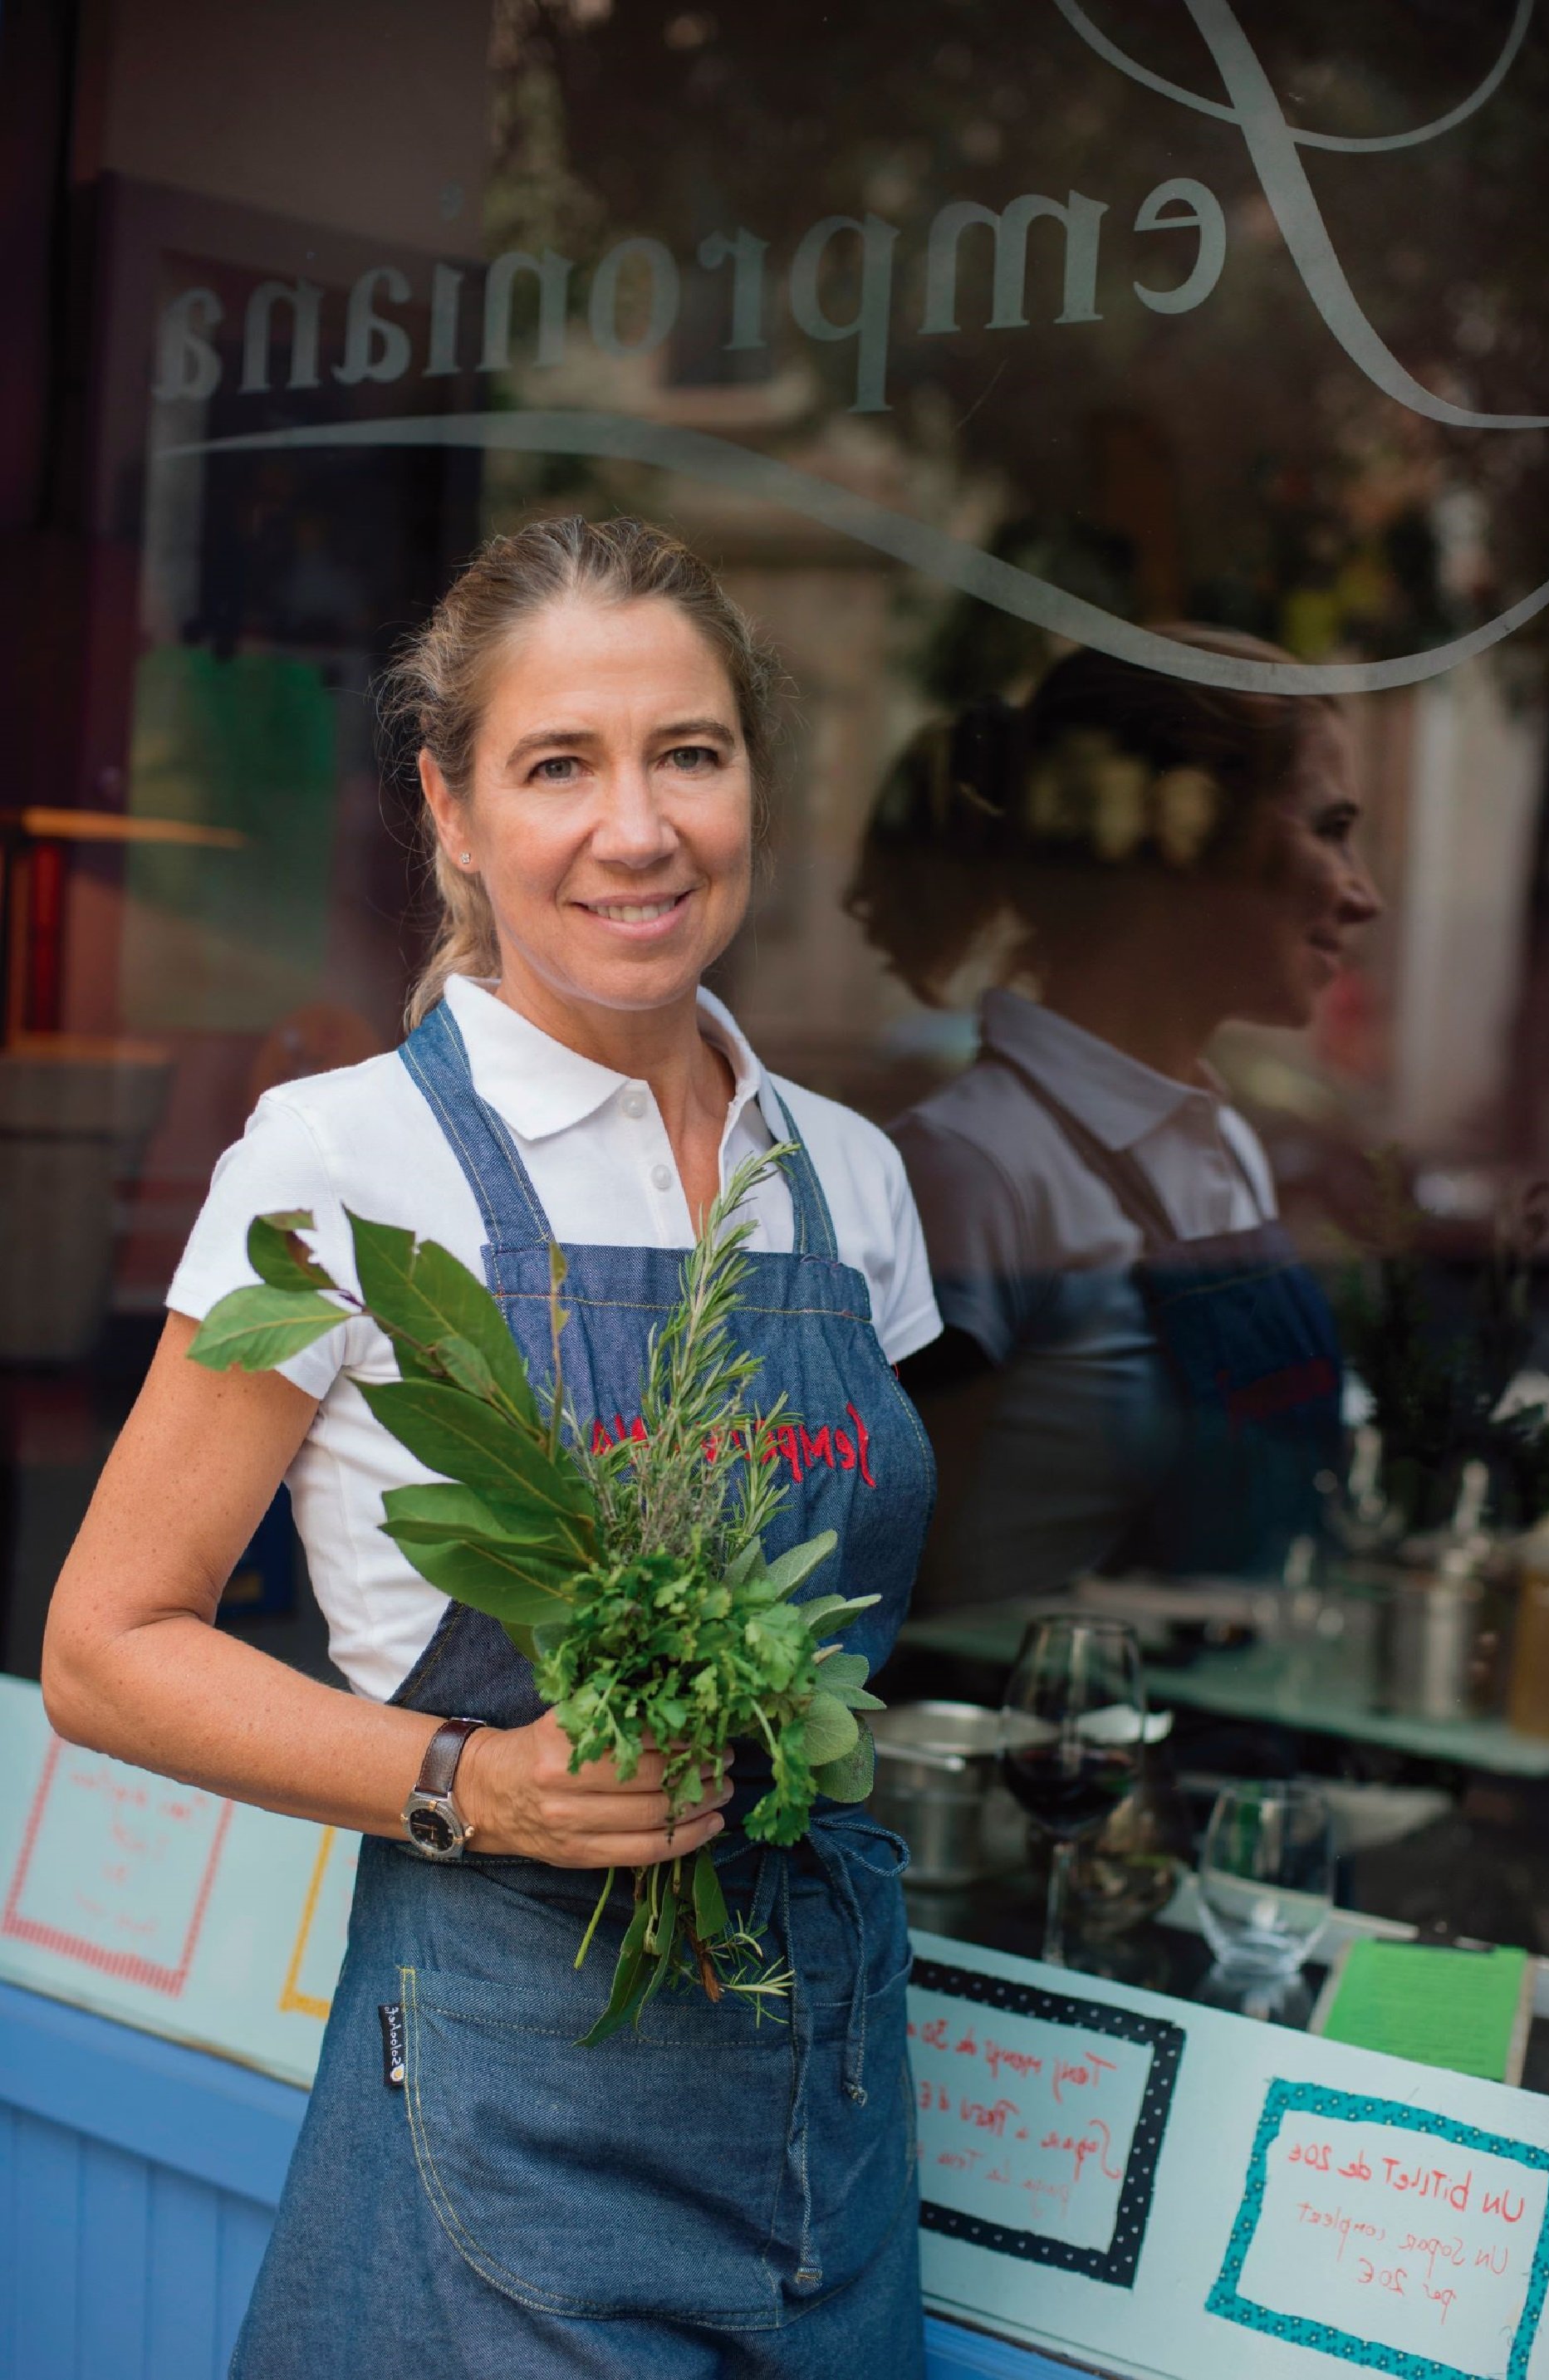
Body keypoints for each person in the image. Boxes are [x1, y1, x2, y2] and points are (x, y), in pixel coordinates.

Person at [43, 517, 941, 2378]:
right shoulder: (337, 1163)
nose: (639, 828)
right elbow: (108, 1646)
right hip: (510, 2111)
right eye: (559, 765)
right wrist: (476, 1778)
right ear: (450, 807)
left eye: (687, 752)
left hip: (832, 2127)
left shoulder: (840, 1173)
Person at [846, 629, 1380, 1609]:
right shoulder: (973, 1170)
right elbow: (884, 1598)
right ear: (1188, 843)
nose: (1361, 893)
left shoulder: (1228, 1149)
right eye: (1330, 827)